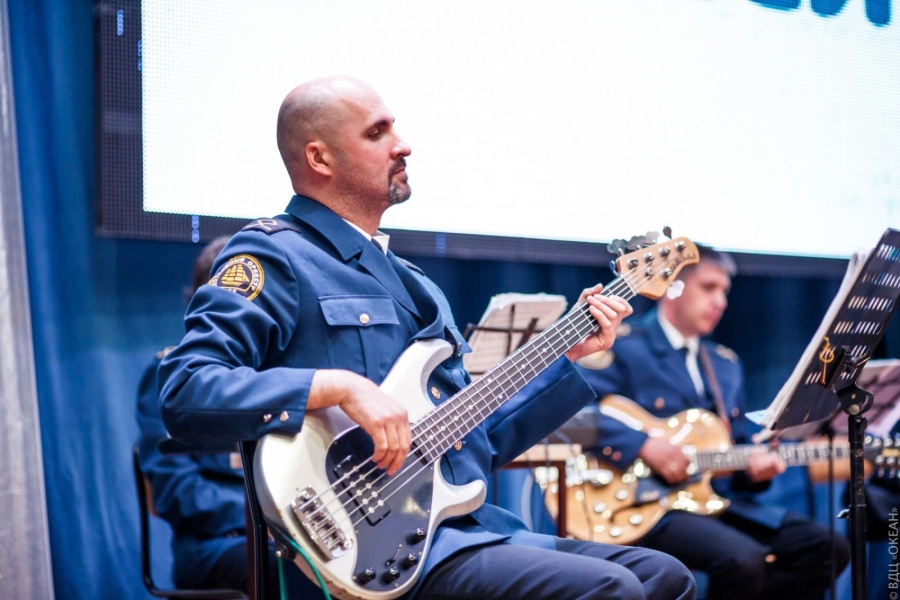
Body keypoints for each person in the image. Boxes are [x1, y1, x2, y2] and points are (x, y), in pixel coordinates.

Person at [157, 75, 696, 600]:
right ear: (319, 158)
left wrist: (565, 355)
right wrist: (337, 386)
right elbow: (186, 390)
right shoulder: (273, 254)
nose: (403, 144)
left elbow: (475, 444)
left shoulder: (417, 285)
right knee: (614, 588)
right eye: (377, 132)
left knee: (665, 576)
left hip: (456, 530)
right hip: (358, 545)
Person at [575, 245, 851, 600]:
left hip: (713, 499)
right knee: (742, 561)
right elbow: (576, 414)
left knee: (828, 547)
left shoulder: (724, 364)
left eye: (724, 291)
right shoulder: (625, 345)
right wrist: (643, 445)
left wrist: (755, 471)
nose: (720, 301)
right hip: (645, 504)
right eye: (708, 288)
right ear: (673, 287)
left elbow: (734, 451)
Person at [136, 236, 319, 596]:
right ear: (196, 303)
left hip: (288, 533)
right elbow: (174, 491)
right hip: (218, 543)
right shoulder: (171, 379)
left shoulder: (282, 378)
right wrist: (264, 518)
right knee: (293, 576)